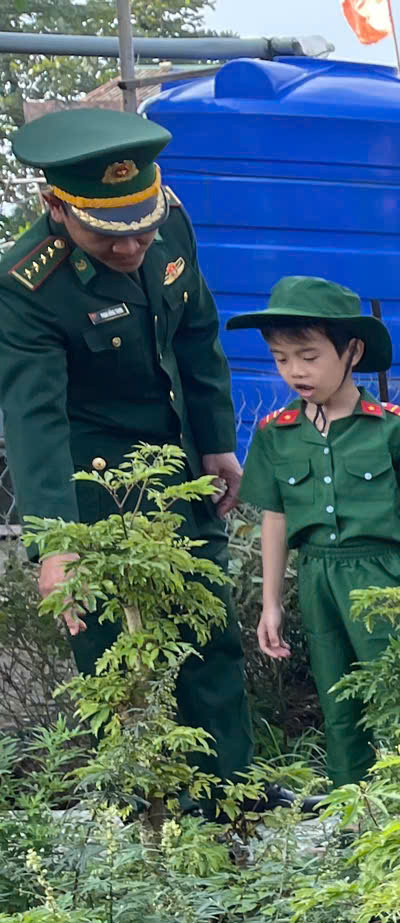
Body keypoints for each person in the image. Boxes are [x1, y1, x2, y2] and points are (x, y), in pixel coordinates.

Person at [0, 109, 256, 788]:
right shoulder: (27, 285)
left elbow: (197, 332)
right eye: (109, 233)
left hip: (178, 460)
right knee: (117, 649)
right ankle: (142, 806)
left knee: (208, 626)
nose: (133, 245)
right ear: (55, 206)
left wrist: (217, 443)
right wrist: (56, 542)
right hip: (98, 479)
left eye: (141, 227)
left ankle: (230, 795)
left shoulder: (169, 221)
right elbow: (34, 417)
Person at [232, 277, 400, 787]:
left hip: (384, 580)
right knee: (338, 701)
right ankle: (354, 811)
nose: (295, 371)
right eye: (281, 358)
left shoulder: (394, 427)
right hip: (318, 581)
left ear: (351, 351)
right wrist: (271, 603)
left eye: (309, 356)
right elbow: (275, 520)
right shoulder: (275, 434)